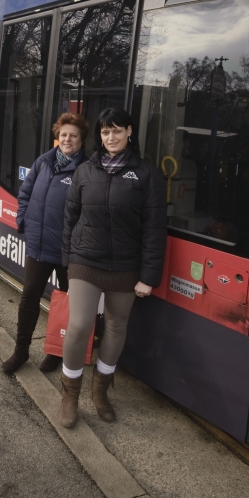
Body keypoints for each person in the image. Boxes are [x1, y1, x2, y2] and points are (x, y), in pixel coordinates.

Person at [58, 107, 166, 427]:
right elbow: (69, 217)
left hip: (125, 265)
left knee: (117, 327)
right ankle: (69, 395)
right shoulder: (85, 171)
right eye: (106, 132)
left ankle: (100, 392)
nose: (111, 137)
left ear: (130, 132)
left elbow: (154, 228)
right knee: (79, 326)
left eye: (118, 130)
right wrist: (67, 260)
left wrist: (148, 276)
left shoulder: (147, 174)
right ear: (100, 136)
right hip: (85, 260)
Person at [2, 112, 89, 375]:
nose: (67, 139)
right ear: (57, 136)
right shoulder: (43, 162)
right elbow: (25, 193)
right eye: (63, 134)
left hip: (67, 251)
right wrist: (23, 220)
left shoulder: (86, 169)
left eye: (73, 135)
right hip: (38, 246)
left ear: (81, 139)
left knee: (65, 303)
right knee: (29, 298)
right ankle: (21, 352)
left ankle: (55, 352)